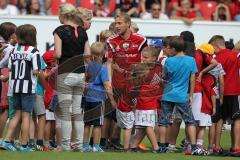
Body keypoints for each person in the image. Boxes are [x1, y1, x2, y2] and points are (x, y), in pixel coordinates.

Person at [106, 13, 147, 150]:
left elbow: (145, 61)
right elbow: (109, 63)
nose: (116, 26)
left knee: (134, 113)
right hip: (118, 84)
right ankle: (118, 141)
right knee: (121, 113)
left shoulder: (141, 40)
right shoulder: (111, 41)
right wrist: (108, 83)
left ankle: (128, 143)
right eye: (115, 23)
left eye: (119, 23)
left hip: (135, 83)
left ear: (128, 24)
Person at [53, 3, 90, 151]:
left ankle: (66, 145)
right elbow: (87, 54)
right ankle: (79, 145)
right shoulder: (82, 31)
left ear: (62, 15)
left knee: (65, 111)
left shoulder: (59, 31)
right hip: (80, 73)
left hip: (65, 72)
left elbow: (58, 54)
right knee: (77, 111)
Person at [158, 36, 202, 155]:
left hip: (167, 95)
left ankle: (162, 147)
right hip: (182, 96)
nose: (168, 50)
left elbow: (164, 77)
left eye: (169, 48)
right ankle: (193, 147)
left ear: (173, 48)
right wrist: (191, 95)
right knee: (190, 122)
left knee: (163, 122)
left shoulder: (168, 61)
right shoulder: (191, 60)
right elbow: (192, 79)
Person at [1, 24, 41, 151]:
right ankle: (24, 145)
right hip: (28, 88)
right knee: (26, 116)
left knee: (16, 115)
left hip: (15, 87)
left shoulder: (14, 50)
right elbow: (36, 71)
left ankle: (6, 140)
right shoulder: (34, 52)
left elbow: (11, 69)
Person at [82, 42, 116, 152]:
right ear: (103, 55)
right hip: (98, 100)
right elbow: (107, 85)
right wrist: (112, 100)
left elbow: (84, 82)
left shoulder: (87, 67)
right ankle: (96, 147)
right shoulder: (103, 68)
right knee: (97, 125)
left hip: (87, 99)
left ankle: (85, 146)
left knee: (87, 124)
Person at [209, 35, 240, 155]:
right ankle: (236, 147)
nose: (212, 50)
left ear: (216, 45)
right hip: (234, 92)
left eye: (212, 47)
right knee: (236, 118)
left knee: (219, 119)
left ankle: (217, 146)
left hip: (219, 93)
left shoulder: (215, 58)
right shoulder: (235, 55)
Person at [129, 46, 163, 153]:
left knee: (143, 127)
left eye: (146, 57)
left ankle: (133, 146)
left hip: (152, 101)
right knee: (148, 125)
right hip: (144, 102)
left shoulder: (159, 67)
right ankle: (156, 148)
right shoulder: (140, 68)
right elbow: (134, 85)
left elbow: (161, 80)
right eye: (142, 57)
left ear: (154, 58)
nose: (143, 59)